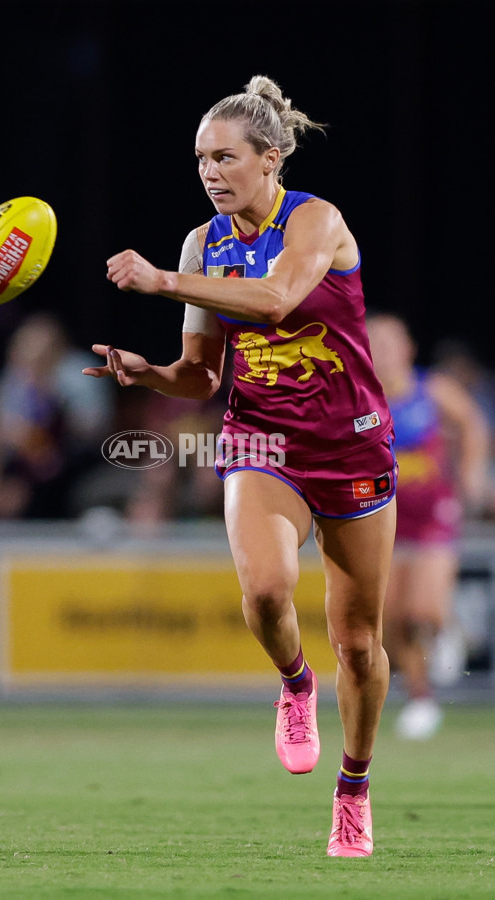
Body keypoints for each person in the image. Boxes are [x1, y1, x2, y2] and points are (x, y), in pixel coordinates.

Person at [84, 76, 397, 857]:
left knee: (358, 643)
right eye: (200, 159)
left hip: (351, 444)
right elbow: (201, 375)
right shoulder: (203, 243)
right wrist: (146, 372)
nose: (210, 172)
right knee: (264, 592)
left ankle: (353, 791)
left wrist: (159, 281)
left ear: (271, 159)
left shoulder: (316, 219)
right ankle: (294, 684)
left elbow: (282, 298)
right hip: (261, 440)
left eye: (225, 157)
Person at [367, 313, 489, 739]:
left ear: (408, 349)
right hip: (381, 519)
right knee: (391, 623)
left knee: (422, 611)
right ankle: (421, 697)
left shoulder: (432, 389)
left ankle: (447, 627)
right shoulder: (358, 396)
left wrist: (471, 473)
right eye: (373, 341)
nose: (380, 350)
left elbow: (473, 424)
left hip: (434, 518)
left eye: (389, 341)